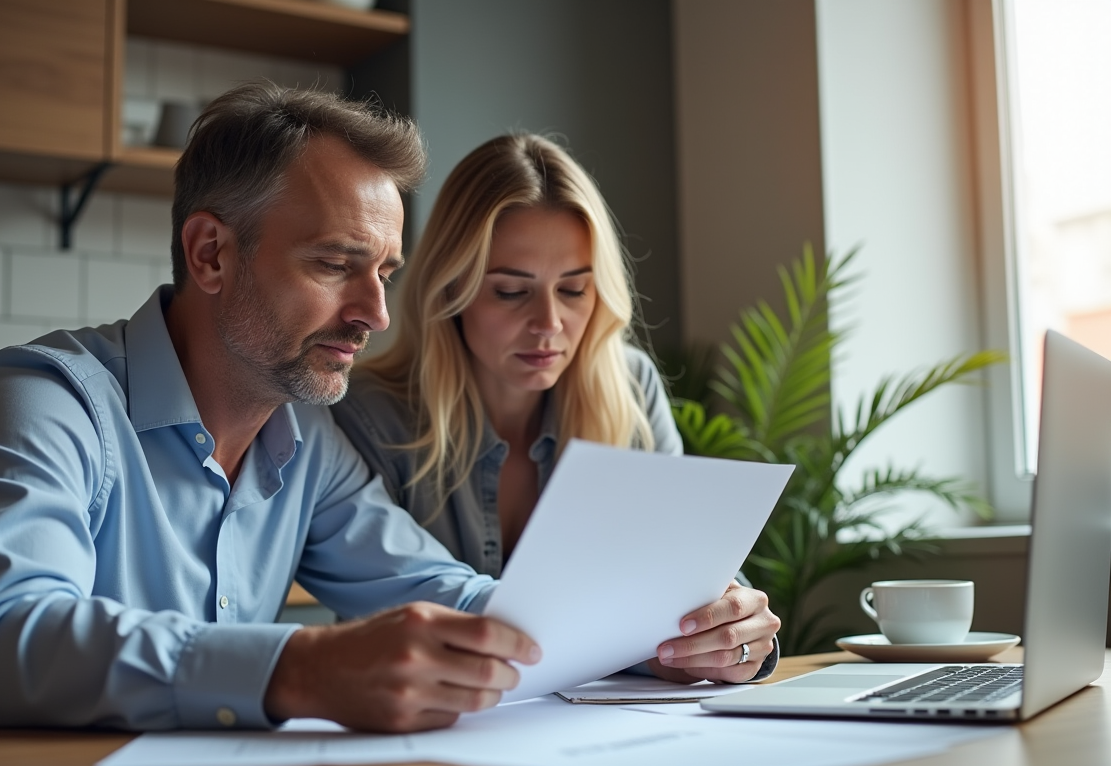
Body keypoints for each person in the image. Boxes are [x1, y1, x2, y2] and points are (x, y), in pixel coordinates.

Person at [0, 83, 540, 734]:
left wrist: (598, 636)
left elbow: (440, 589)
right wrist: (300, 668)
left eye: (384, 273)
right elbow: (14, 641)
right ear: (210, 253)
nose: (376, 315)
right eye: (334, 264)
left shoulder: (307, 443)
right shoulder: (44, 401)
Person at [331, 133, 781, 684]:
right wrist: (632, 639)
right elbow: (391, 610)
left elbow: (686, 584)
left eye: (573, 290)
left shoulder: (630, 389)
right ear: (450, 290)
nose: (548, 324)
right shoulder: (368, 413)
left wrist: (732, 637)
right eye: (511, 291)